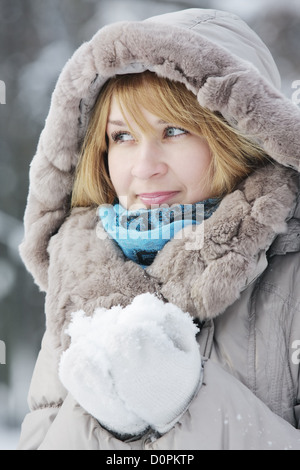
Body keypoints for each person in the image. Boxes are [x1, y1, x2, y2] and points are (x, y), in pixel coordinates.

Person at [18, 8, 300, 450]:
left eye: (173, 130)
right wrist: (109, 423)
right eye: (122, 137)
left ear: (239, 135)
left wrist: (184, 405)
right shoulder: (80, 282)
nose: (144, 168)